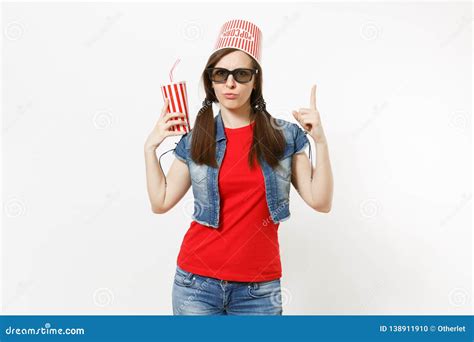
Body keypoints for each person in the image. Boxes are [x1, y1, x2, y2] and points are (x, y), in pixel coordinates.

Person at [144, 19, 333, 315]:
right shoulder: (196, 140)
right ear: (211, 81)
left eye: (241, 74)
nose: (230, 83)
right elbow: (161, 202)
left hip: (259, 290)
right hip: (196, 285)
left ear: (255, 80)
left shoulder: (285, 136)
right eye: (221, 74)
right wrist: (150, 148)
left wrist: (320, 141)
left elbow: (320, 202)